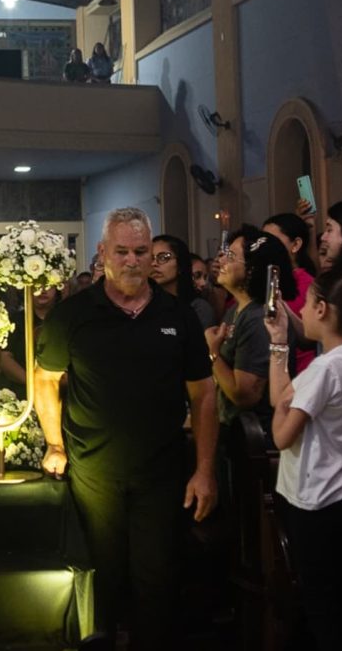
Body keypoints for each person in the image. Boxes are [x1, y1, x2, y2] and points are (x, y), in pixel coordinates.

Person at [34, 207, 218, 649]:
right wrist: (55, 444)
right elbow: (44, 380)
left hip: (162, 471)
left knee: (157, 582)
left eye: (142, 251)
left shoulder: (178, 314)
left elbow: (204, 393)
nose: (133, 260)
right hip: (93, 472)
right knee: (101, 577)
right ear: (103, 253)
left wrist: (205, 470)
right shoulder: (75, 314)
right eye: (122, 251)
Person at [264, 270, 342, 651]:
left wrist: (282, 411)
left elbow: (281, 434)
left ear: (321, 309)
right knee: (334, 598)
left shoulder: (325, 369)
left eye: (305, 303)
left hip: (315, 500)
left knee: (320, 607)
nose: (300, 310)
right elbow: (284, 396)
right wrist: (278, 342)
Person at [204, 227, 297, 436]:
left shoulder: (258, 319)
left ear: (251, 269)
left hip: (256, 439)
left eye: (231, 256)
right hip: (234, 433)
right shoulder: (234, 310)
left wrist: (213, 353)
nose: (221, 260)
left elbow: (244, 395)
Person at [263, 213, 316, 373]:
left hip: (299, 373)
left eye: (272, 240)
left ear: (295, 245)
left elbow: (310, 337)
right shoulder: (270, 278)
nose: (266, 247)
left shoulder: (306, 284)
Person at [150, 235, 215, 329]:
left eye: (163, 257)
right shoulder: (143, 306)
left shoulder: (198, 308)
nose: (154, 263)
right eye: (151, 258)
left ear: (180, 264)